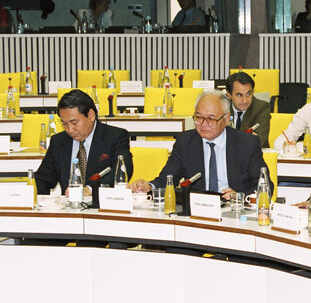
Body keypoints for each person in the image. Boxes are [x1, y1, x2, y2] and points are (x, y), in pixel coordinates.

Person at [129, 90, 270, 199]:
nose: (203, 124)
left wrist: (240, 196)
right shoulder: (185, 142)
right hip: (197, 211)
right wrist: (149, 186)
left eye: (211, 119)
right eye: (198, 117)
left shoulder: (246, 143)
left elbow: (264, 185)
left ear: (226, 118)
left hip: (235, 212)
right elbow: (168, 179)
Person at [35, 89, 133, 205]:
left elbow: (123, 169)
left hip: (103, 206)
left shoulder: (115, 136)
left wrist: (89, 189)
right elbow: (43, 179)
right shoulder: (58, 141)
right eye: (64, 124)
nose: (70, 130)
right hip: (69, 210)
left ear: (91, 115)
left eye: (74, 123)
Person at [226, 72, 271, 147]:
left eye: (248, 94)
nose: (245, 100)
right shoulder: (221, 107)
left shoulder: (262, 108)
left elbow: (256, 142)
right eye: (239, 95)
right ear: (229, 95)